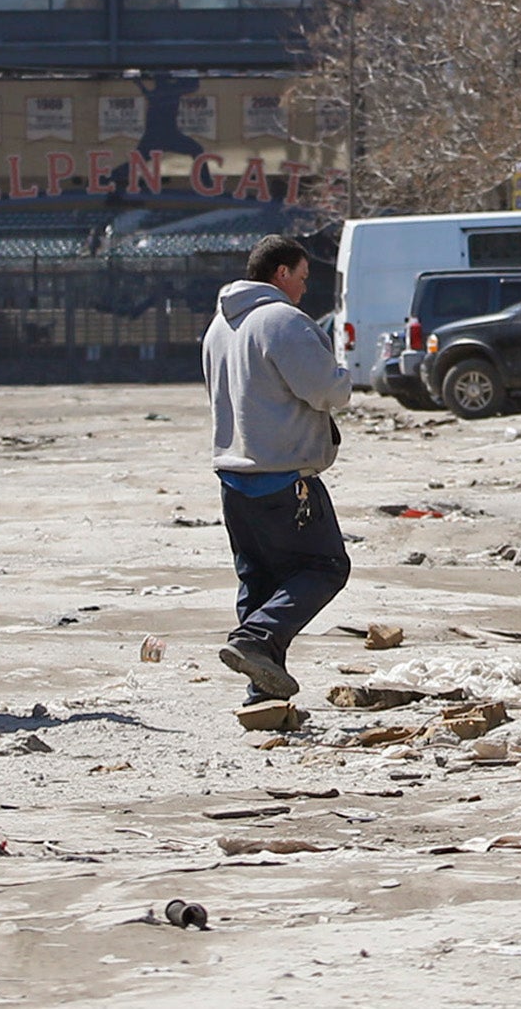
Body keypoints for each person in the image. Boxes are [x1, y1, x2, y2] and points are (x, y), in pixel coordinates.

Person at [201, 235, 351, 700]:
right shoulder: (282, 320)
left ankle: (263, 697)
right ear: (281, 273)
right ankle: (255, 640)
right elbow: (326, 390)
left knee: (260, 583)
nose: (304, 289)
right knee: (325, 567)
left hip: (233, 477)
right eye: (302, 278)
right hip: (285, 478)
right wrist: (343, 378)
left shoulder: (220, 327)